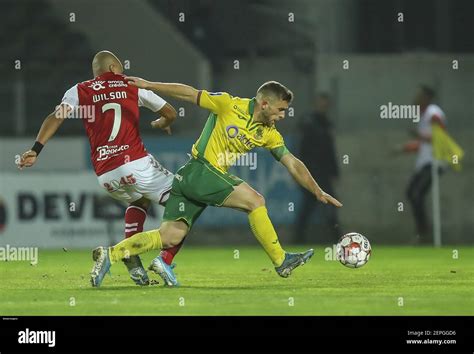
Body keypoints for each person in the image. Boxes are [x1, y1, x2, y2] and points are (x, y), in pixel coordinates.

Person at [90, 78, 343, 287]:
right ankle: (281, 260)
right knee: (255, 201)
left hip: (193, 179)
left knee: (170, 236)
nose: (282, 116)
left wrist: (316, 189)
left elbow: (292, 162)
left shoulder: (268, 134)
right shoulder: (227, 104)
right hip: (200, 170)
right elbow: (190, 94)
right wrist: (148, 85)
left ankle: (110, 254)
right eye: (280, 110)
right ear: (264, 104)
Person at [18, 51, 183, 286]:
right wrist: (162, 122)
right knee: (186, 200)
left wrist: (36, 149)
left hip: (106, 174)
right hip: (135, 163)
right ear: (115, 68)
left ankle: (133, 259)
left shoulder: (79, 90)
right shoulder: (131, 85)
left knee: (139, 202)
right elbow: (170, 112)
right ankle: (164, 260)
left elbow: (56, 116)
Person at [400, 85, 447, 244]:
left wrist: (418, 135)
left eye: (419, 96)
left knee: (416, 194)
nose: (416, 99)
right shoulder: (423, 116)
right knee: (411, 193)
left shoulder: (434, 113)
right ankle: (423, 231)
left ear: (426, 97)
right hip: (424, 162)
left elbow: (440, 137)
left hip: (434, 162)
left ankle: (424, 233)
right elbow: (423, 143)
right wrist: (405, 148)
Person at [295, 93, 340, 244]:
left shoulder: (326, 123)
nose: (323, 105)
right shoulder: (309, 122)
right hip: (311, 173)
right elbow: (303, 150)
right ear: (315, 103)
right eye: (321, 102)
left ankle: (336, 238)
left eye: (325, 103)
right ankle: (336, 238)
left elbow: (329, 150)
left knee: (319, 206)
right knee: (313, 206)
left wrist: (334, 170)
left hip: (323, 172)